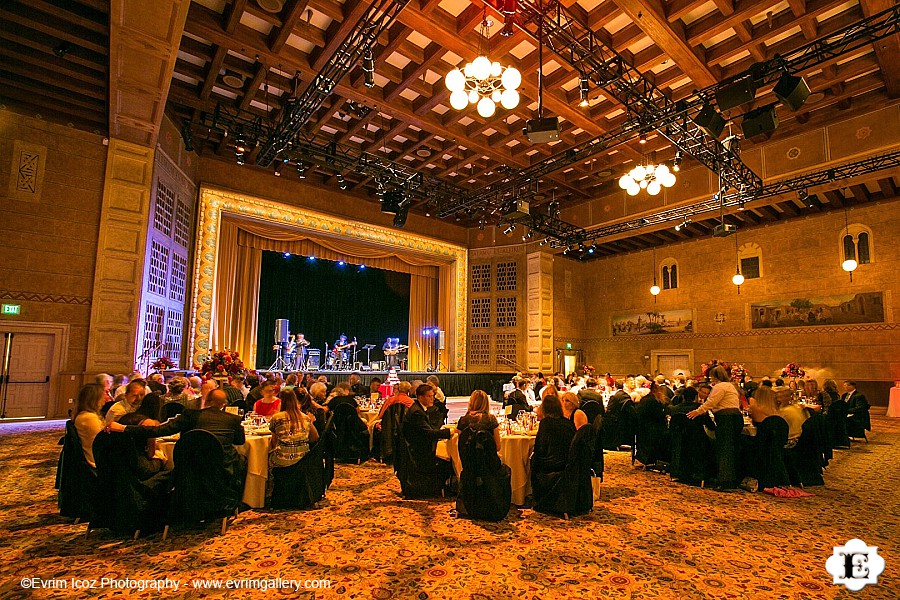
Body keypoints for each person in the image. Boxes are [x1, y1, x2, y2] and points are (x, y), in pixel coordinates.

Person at [111, 389, 246, 494]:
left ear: (206, 400)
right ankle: (236, 500)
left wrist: (124, 428)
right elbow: (240, 442)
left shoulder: (190, 415)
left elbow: (158, 430)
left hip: (189, 469)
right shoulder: (233, 419)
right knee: (242, 459)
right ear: (224, 404)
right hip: (221, 470)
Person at [687, 366, 743, 490]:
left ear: (715, 376)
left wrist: (698, 411)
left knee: (724, 449)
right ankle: (733, 480)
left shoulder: (719, 387)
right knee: (732, 449)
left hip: (726, 419)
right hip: (736, 417)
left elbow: (711, 402)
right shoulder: (731, 386)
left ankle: (724, 482)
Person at [399, 383, 454, 497]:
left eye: (432, 396)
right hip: (418, 454)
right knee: (448, 459)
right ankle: (438, 488)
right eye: (429, 396)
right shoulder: (417, 413)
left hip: (418, 448)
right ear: (420, 397)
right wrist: (450, 432)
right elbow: (428, 434)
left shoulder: (419, 409)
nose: (432, 399)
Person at [530, 394, 576, 502]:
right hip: (569, 461)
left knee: (532, 460)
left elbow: (539, 448)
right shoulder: (567, 422)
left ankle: (538, 496)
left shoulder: (546, 423)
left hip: (553, 463)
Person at [269, 388, 319, 467]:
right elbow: (315, 437)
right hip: (303, 460)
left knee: (266, 458)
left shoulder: (276, 418)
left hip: (282, 462)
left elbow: (274, 442)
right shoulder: (305, 417)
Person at [457, 390, 501, 454]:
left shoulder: (462, 421)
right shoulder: (491, 419)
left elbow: (461, 446)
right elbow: (498, 447)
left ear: (471, 402)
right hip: (488, 461)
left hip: (469, 462)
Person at [73, 383, 106, 468]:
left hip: (97, 453)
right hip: (96, 458)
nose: (105, 400)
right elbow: (100, 441)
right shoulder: (89, 418)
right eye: (102, 397)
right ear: (94, 400)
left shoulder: (85, 415)